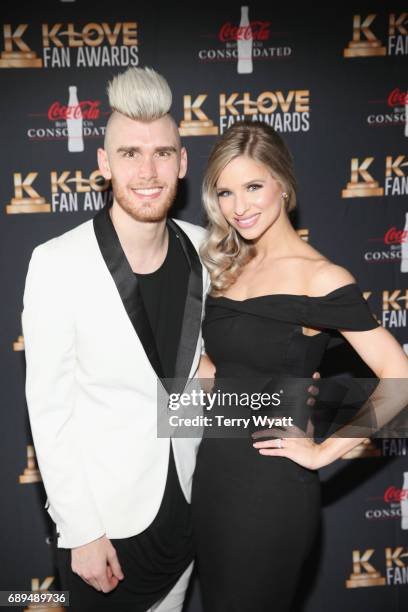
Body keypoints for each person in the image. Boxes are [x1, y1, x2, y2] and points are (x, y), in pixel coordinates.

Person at [192, 120, 408, 612]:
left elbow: (400, 380)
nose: (239, 206)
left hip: (273, 492)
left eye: (252, 186)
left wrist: (320, 453)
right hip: (213, 481)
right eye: (225, 192)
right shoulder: (226, 270)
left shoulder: (321, 277)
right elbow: (219, 378)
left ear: (283, 185)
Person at [22, 67, 208, 612]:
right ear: (103, 164)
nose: (148, 171)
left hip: (188, 514)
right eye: (129, 154)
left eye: (162, 153)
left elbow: (199, 385)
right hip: (106, 533)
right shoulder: (58, 263)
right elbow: (50, 410)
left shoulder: (207, 251)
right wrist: (80, 531)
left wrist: (308, 410)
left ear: (183, 162)